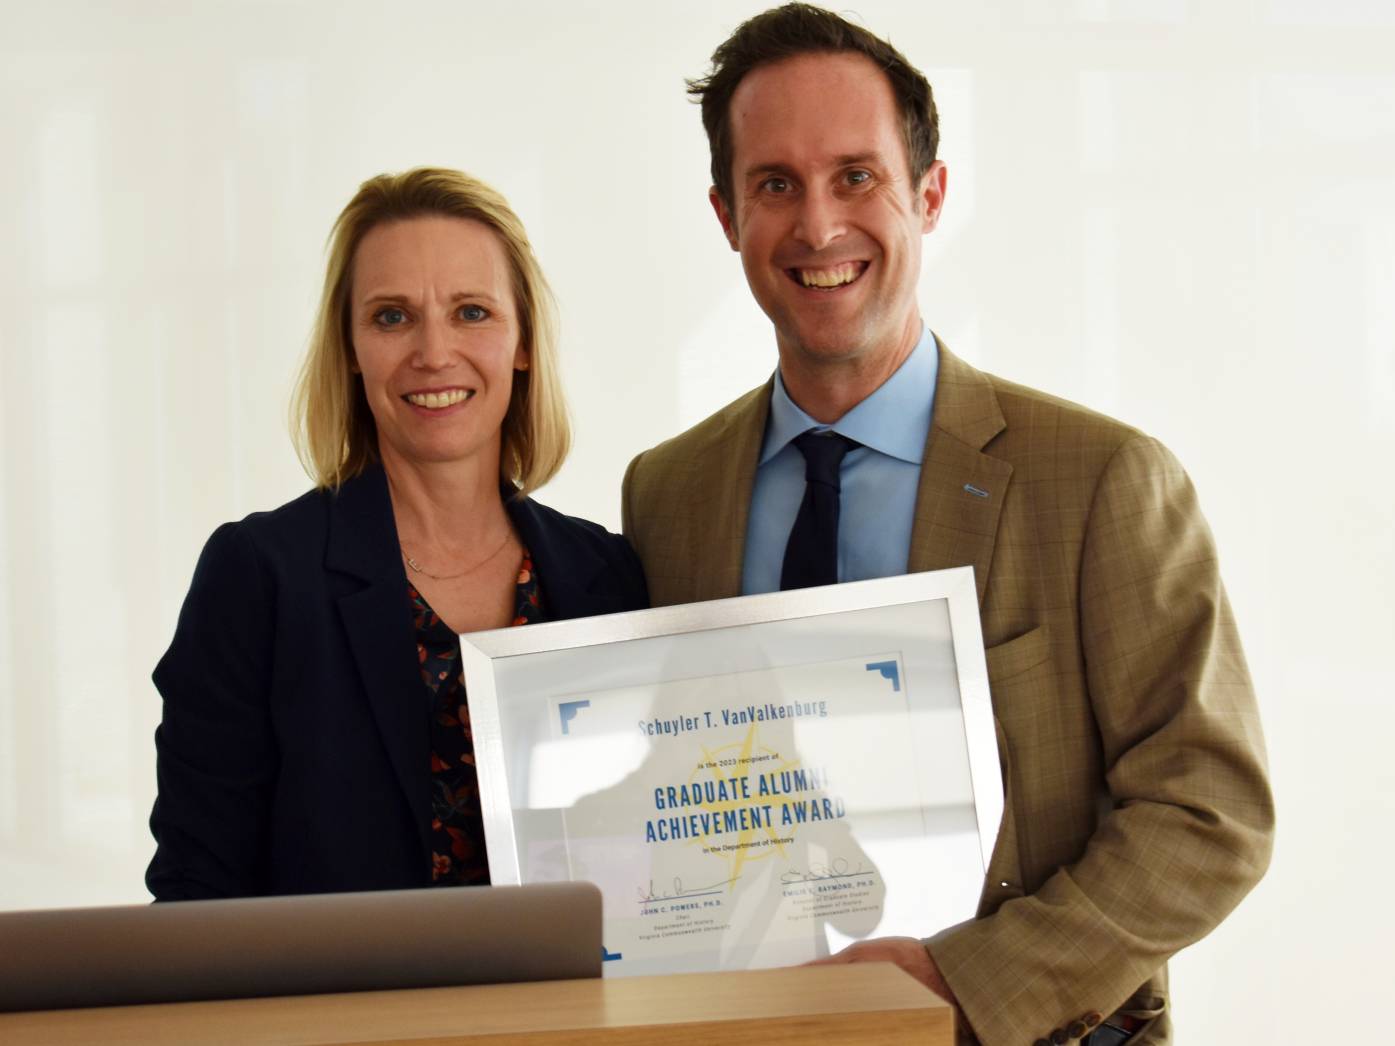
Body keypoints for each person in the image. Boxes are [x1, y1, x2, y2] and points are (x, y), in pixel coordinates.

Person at [621, 6, 1272, 1045]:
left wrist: (962, 977)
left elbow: (1211, 813)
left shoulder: (1102, 479)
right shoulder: (667, 492)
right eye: (774, 184)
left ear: (929, 194)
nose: (818, 225)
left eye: (856, 176)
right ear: (725, 214)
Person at [147, 167, 647, 900]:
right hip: (338, 1015)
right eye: (391, 317)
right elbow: (196, 895)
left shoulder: (609, 577)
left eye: (471, 312)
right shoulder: (258, 578)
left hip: (575, 1011)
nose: (433, 352)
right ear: (349, 350)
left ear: (523, 343)